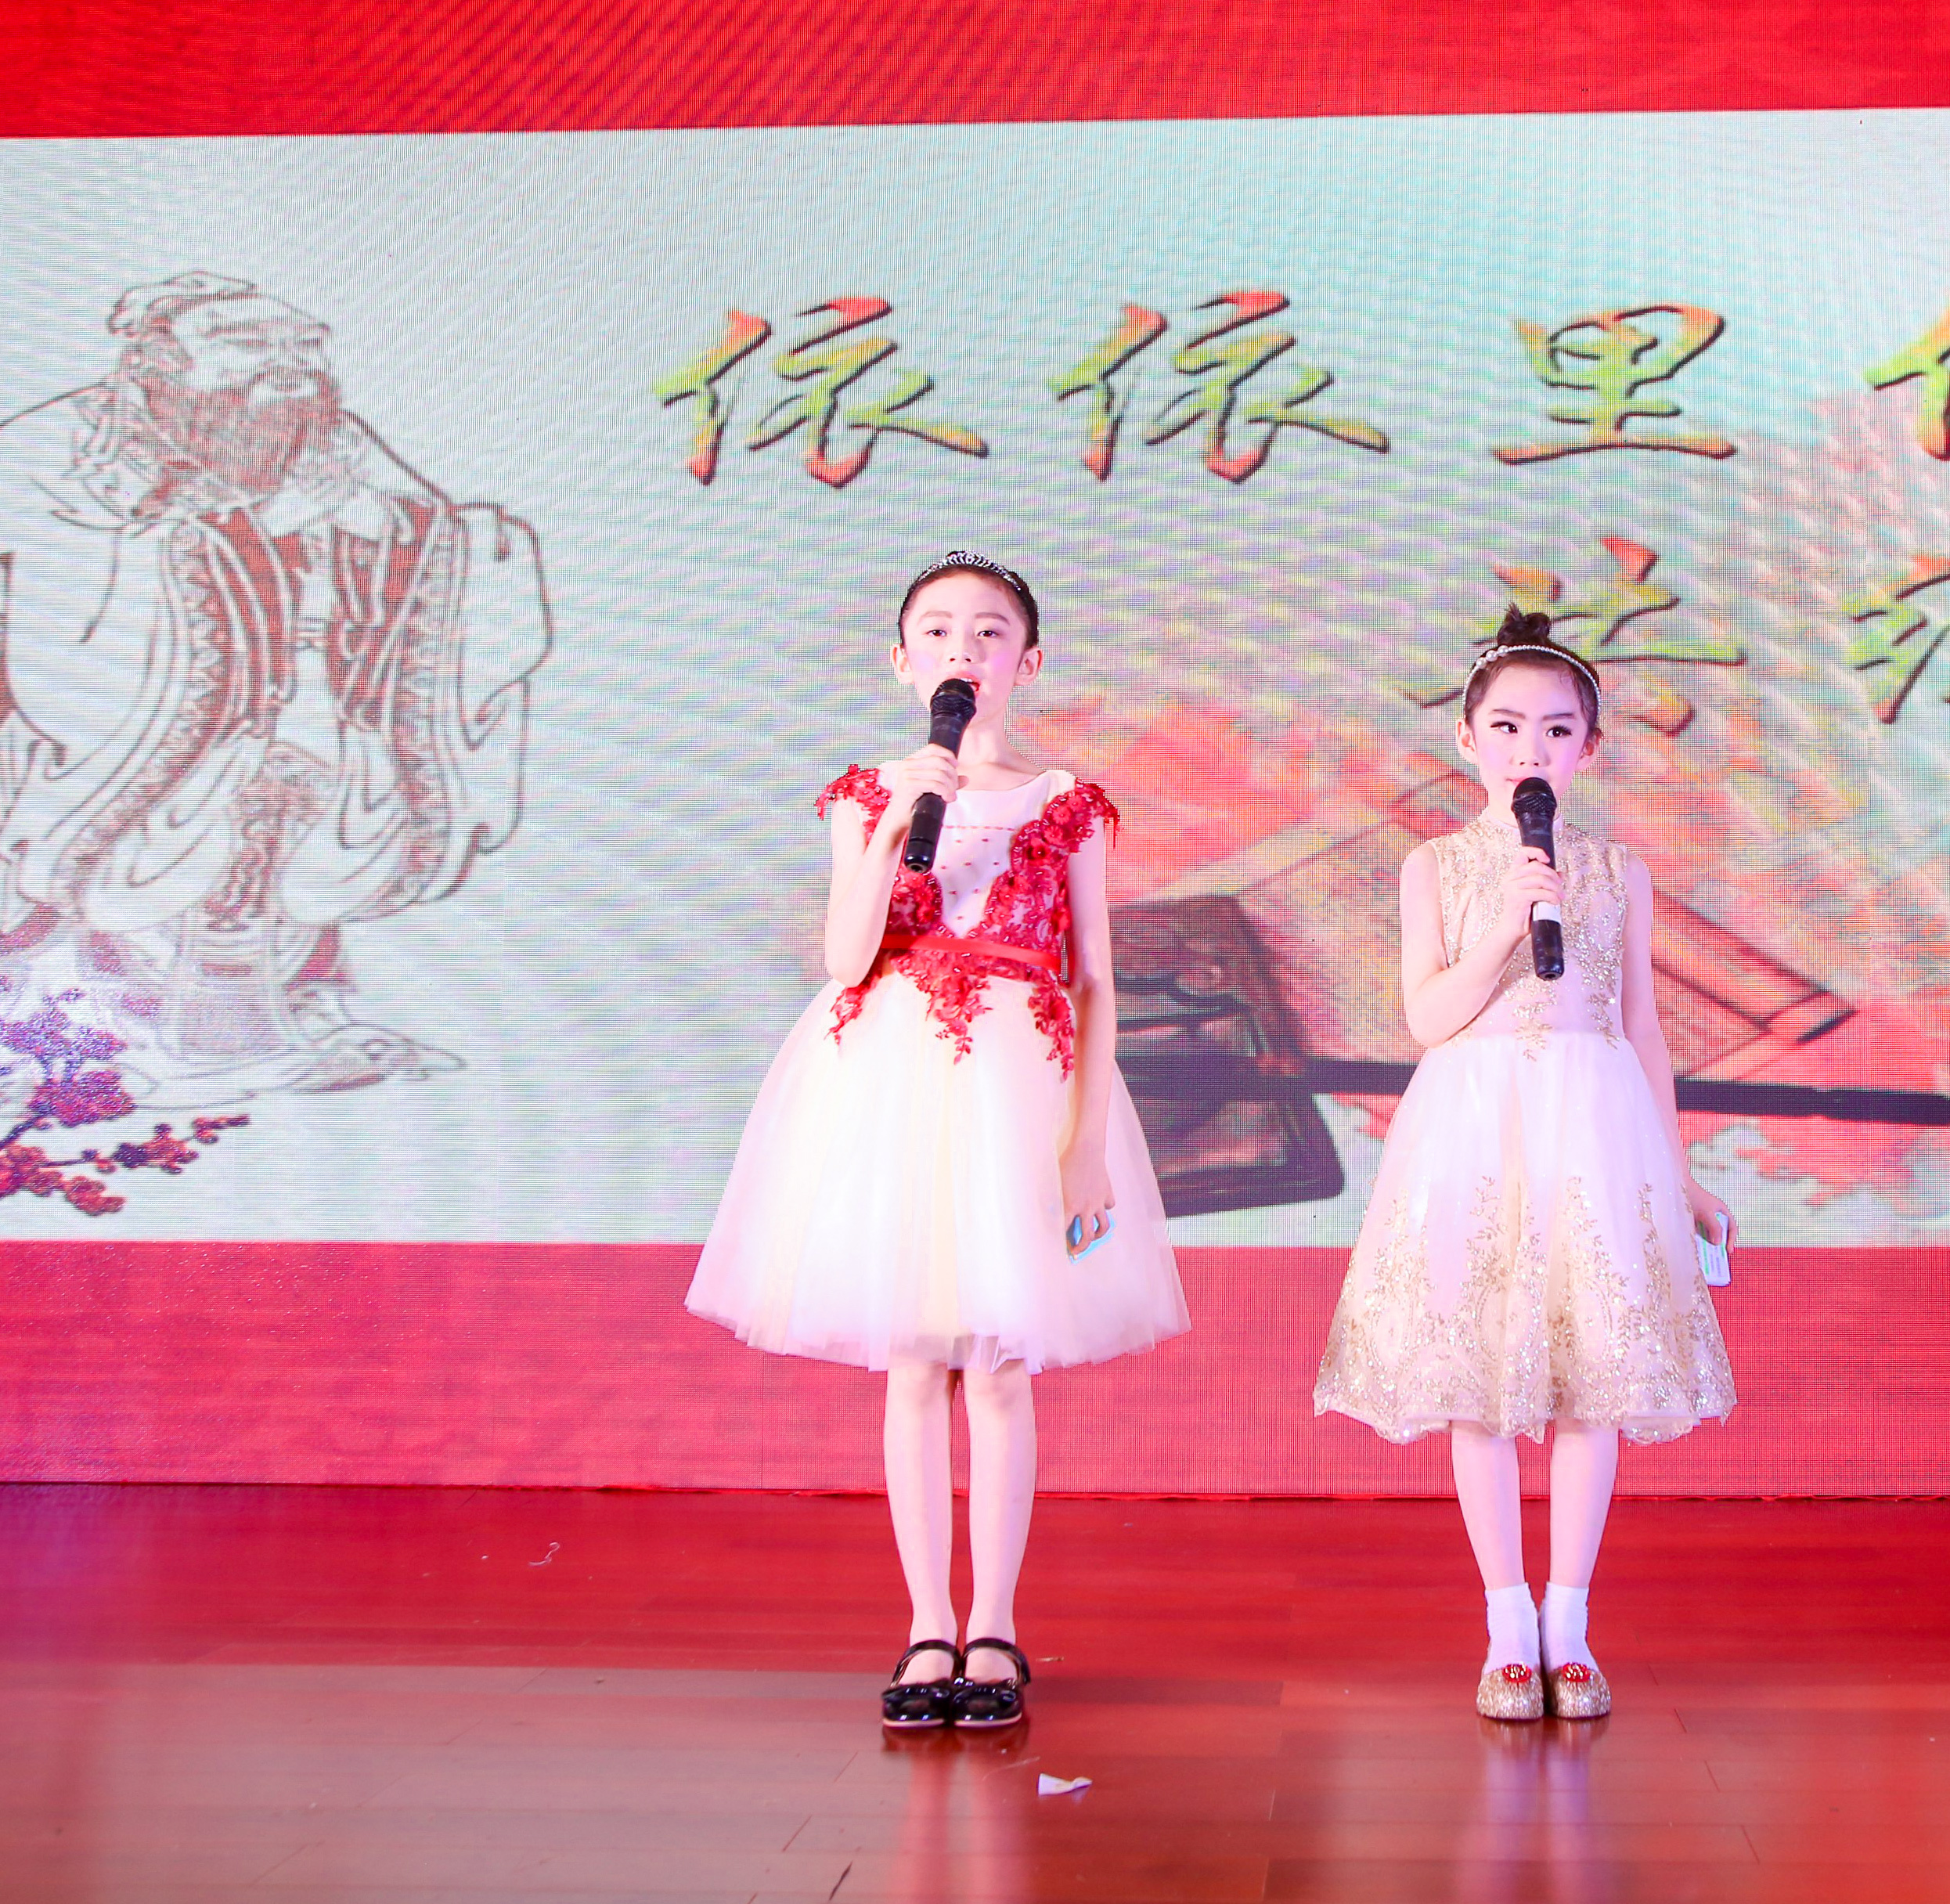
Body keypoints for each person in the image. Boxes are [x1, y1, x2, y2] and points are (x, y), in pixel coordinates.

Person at [686, 550, 1186, 1729]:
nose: (965, 649)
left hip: (1022, 1085)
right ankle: (925, 1625)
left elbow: (1096, 980)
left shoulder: (1067, 800)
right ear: (903, 659)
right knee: (916, 1360)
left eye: (991, 632)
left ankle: (996, 1626)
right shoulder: (869, 793)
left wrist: (1085, 1145)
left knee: (1000, 1362)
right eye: (940, 631)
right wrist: (901, 817)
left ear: (1028, 661)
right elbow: (845, 955)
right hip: (891, 1083)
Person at [1314, 609, 1738, 1721]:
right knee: (1483, 1374)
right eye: (1505, 727)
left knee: (1593, 1375)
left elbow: (1641, 1027)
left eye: (1555, 730)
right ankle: (1506, 1623)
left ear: (1588, 748)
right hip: (1474, 1125)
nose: (1529, 750)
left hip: (1594, 1127)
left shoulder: (1617, 872)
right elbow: (1428, 1018)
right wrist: (1506, 924)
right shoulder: (1436, 866)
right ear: (1467, 738)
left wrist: (1680, 1172)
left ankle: (1569, 1622)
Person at [0, 272, 550, 1105]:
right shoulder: (60, 445)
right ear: (157, 364)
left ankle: (269, 1013)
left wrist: (377, 526)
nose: (287, 367)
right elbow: (63, 586)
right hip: (91, 710)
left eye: (302, 347)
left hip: (281, 698)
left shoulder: (327, 436)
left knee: (296, 780)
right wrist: (253, 530)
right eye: (249, 347)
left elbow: (418, 521)